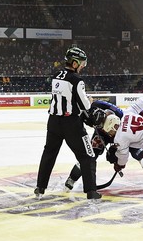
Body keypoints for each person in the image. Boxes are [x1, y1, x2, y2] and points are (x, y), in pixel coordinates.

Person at [34, 47, 99, 201]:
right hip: (71, 124)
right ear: (75, 63)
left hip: (53, 122)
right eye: (82, 63)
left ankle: (40, 188)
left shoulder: (56, 75)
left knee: (49, 154)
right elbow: (85, 106)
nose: (83, 66)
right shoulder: (77, 80)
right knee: (87, 156)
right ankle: (91, 192)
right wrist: (89, 101)